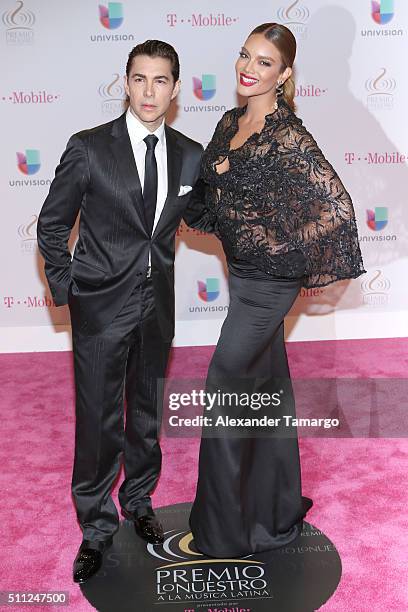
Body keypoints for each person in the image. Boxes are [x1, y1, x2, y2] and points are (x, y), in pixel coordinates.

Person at [189, 23, 366, 558]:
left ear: (284, 74)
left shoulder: (288, 136)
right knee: (266, 393)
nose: (250, 67)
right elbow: (215, 200)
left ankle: (221, 534)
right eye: (246, 55)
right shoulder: (229, 122)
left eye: (265, 62)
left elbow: (337, 211)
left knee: (223, 387)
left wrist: (272, 245)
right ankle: (271, 512)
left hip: (269, 286)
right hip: (241, 279)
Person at [37, 40, 211, 583]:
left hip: (156, 311)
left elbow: (206, 215)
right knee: (98, 422)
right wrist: (72, 290)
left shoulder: (189, 153)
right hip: (99, 309)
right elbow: (50, 226)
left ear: (176, 88)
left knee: (144, 416)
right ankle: (95, 526)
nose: (149, 91)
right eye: (140, 79)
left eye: (161, 81)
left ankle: (139, 501)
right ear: (125, 82)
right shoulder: (88, 147)